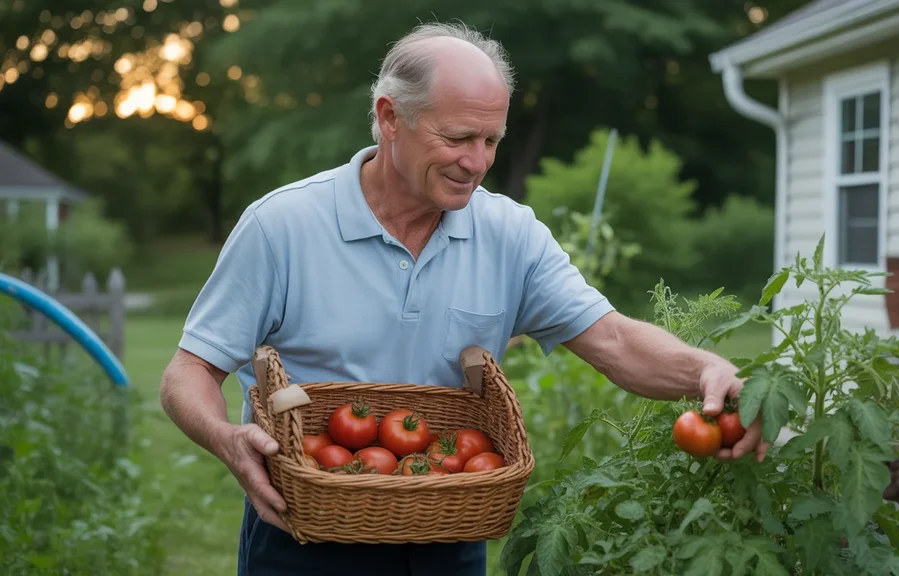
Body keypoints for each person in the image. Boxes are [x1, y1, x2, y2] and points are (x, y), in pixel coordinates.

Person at [159, 21, 770, 576]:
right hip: (303, 535)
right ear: (390, 117)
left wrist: (707, 370)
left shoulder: (510, 236)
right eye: (457, 137)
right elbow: (189, 370)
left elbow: (612, 340)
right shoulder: (282, 227)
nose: (476, 163)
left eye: (491, 140)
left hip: (450, 534)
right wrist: (224, 438)